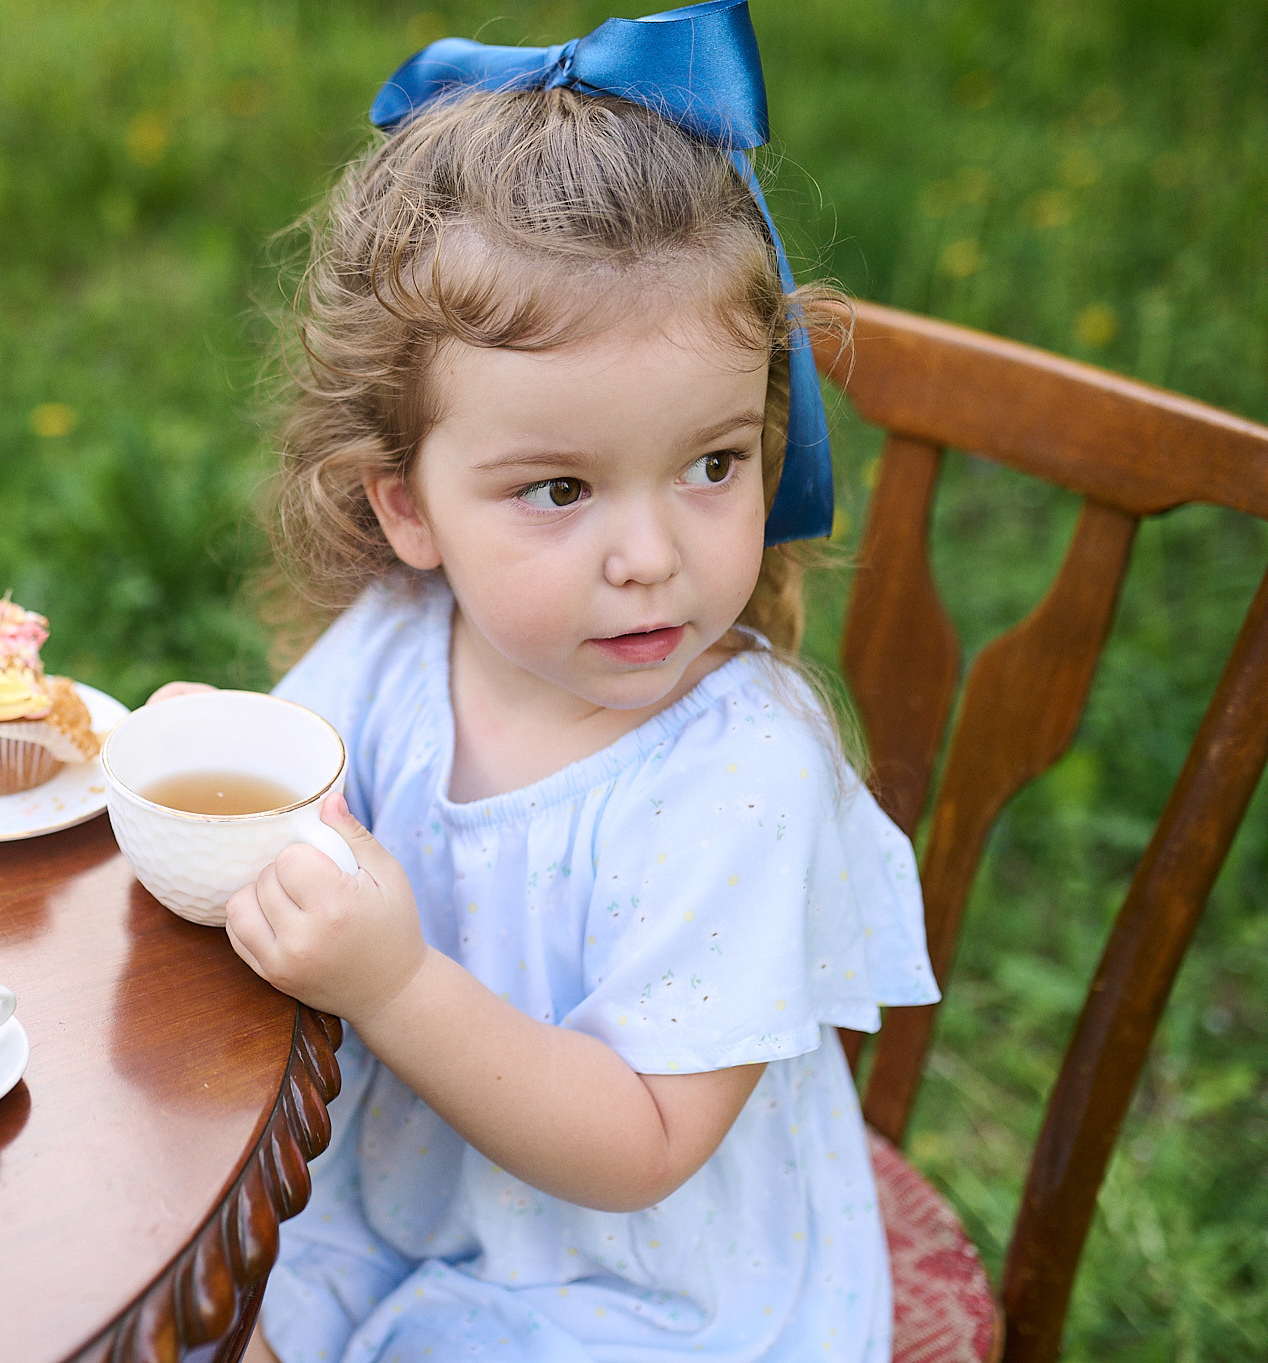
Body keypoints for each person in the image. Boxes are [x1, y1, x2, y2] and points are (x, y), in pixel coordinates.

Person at [151, 5, 940, 1360]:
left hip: (644, 1297)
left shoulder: (742, 770)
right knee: (157, 1289)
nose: (651, 557)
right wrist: (208, 769)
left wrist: (393, 985)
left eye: (711, 464)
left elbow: (644, 1145)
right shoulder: (406, 640)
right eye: (561, 489)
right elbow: (299, 807)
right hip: (401, 1208)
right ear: (409, 508)